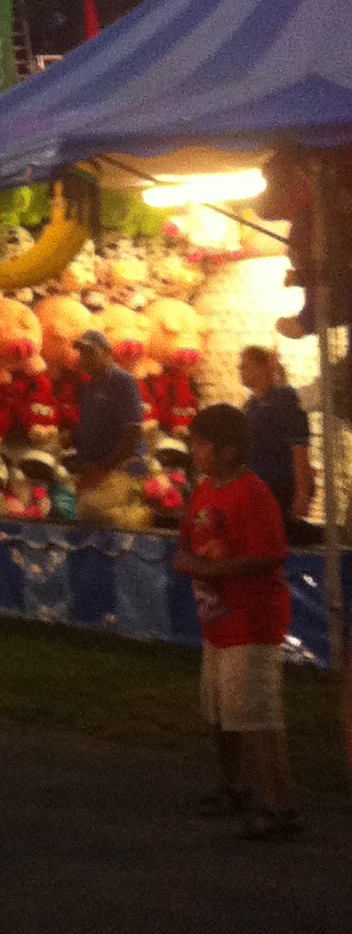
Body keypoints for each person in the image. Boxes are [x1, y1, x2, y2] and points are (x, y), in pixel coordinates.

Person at [174, 403, 298, 839]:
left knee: (257, 715)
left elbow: (268, 556)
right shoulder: (204, 491)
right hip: (218, 624)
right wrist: (190, 561)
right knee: (223, 712)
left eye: (201, 444)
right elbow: (186, 543)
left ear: (227, 451)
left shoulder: (253, 493)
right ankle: (232, 787)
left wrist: (205, 569)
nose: (194, 451)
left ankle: (280, 808)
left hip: (252, 622)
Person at [239, 346, 315, 526]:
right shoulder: (251, 406)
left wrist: (302, 493)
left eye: (246, 366)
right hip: (255, 486)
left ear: (262, 368)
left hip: (278, 486)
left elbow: (299, 450)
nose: (240, 370)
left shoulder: (284, 403)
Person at [72, 328, 147, 495]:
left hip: (122, 469)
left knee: (98, 511)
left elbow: (132, 430)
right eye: (82, 353)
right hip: (96, 469)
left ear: (107, 353)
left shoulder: (121, 380)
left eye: (90, 352)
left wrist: (105, 468)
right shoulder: (89, 386)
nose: (85, 358)